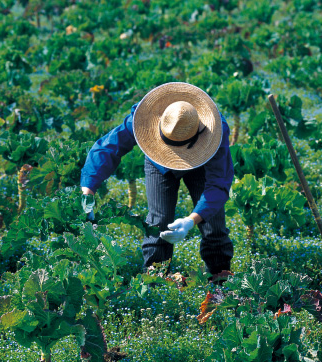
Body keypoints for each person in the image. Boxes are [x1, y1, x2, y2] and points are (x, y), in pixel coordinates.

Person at [80, 82, 234, 277]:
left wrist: (190, 221)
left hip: (200, 165)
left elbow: (218, 185)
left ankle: (220, 278)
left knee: (213, 224)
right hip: (159, 165)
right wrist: (88, 193)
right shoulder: (143, 118)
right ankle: (155, 278)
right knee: (159, 221)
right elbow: (106, 148)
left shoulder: (215, 132)